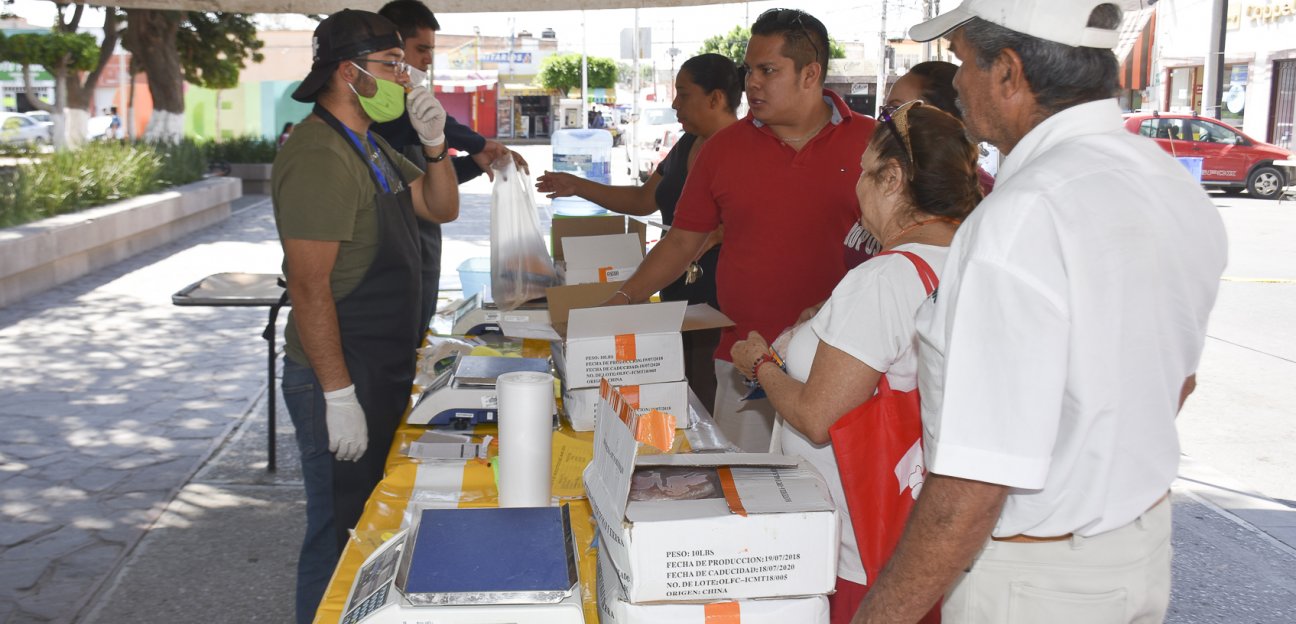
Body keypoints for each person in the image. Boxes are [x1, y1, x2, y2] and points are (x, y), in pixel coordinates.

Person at [852, 2, 1228, 622]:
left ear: (1008, 72)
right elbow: (1175, 380)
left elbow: (975, 481)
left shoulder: (1020, 218)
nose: (959, 86)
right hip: (1136, 551)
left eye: (965, 65)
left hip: (1035, 580)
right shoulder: (1169, 183)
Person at [731, 101, 981, 624]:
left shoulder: (883, 279)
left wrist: (761, 364)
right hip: (923, 532)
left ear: (893, 180)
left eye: (866, 173)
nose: (857, 189)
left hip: (855, 546)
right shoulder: (966, 261)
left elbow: (819, 417)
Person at [607, 9, 877, 452]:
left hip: (843, 369)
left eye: (768, 71)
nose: (752, 83)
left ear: (811, 74)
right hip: (742, 360)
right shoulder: (724, 148)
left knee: (830, 504)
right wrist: (623, 300)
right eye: (749, 70)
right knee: (745, 498)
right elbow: (682, 240)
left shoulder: (871, 145)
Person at [271, 10, 458, 623]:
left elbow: (441, 206)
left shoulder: (370, 146)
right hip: (336, 370)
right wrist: (337, 392)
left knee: (363, 523)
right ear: (349, 74)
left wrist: (435, 144)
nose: (404, 80)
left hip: (374, 363)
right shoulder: (321, 154)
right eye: (391, 67)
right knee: (334, 531)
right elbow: (308, 284)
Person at [535, 53, 741, 412]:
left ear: (716, 98)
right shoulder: (686, 145)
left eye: (683, 93)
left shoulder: (747, 151)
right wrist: (577, 185)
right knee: (681, 391)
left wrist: (718, 234)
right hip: (676, 289)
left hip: (722, 301)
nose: (674, 103)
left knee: (711, 398)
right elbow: (644, 199)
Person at [373, 0, 528, 333]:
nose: (428, 59)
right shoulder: (384, 114)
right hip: (389, 270)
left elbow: (430, 179)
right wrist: (480, 143)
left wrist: (475, 161)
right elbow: (420, 120)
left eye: (431, 50)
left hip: (422, 258)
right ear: (390, 51)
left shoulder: (407, 111)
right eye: (420, 49)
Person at [843, 61, 994, 271]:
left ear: (941, 121)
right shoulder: (883, 182)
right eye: (885, 110)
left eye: (897, 111)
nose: (881, 122)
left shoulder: (988, 200)